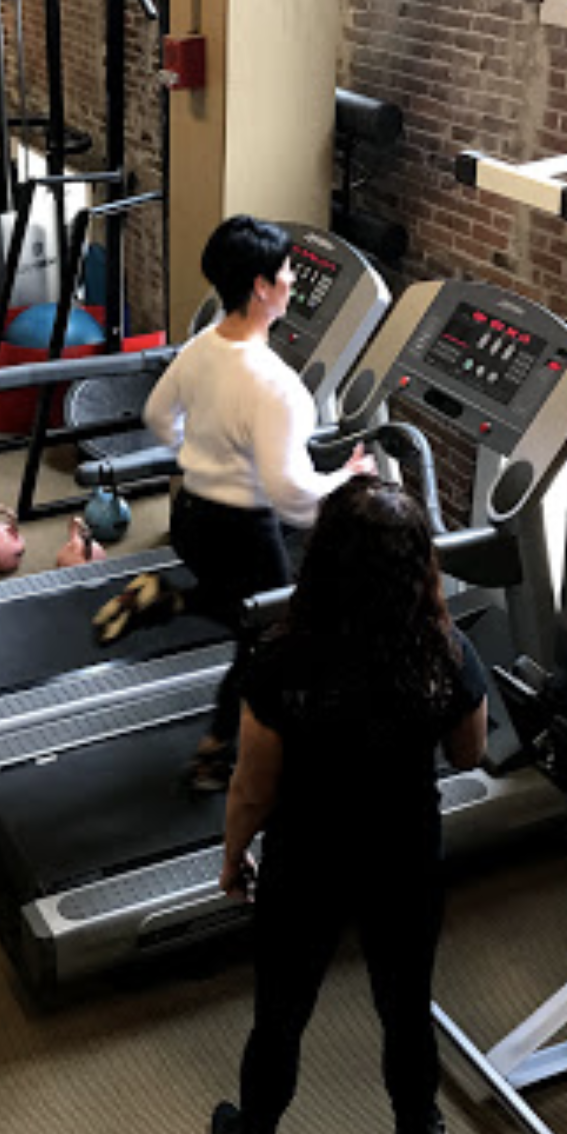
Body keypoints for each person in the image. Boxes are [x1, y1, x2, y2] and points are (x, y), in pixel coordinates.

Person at [207, 476, 488, 1134]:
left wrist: (234, 855)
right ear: (419, 564)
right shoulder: (447, 654)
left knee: (281, 1015)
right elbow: (468, 755)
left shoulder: (280, 664)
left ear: (321, 560)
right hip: (404, 859)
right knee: (406, 1009)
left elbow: (253, 788)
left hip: (307, 863)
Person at [94, 215, 373, 794]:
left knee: (237, 607)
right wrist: (344, 481)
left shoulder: (202, 346)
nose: (294, 280)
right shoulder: (277, 386)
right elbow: (292, 498)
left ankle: (163, 602)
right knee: (271, 639)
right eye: (287, 272)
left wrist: (200, 453)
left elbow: (155, 415)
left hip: (191, 515)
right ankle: (215, 754)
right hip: (242, 527)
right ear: (262, 288)